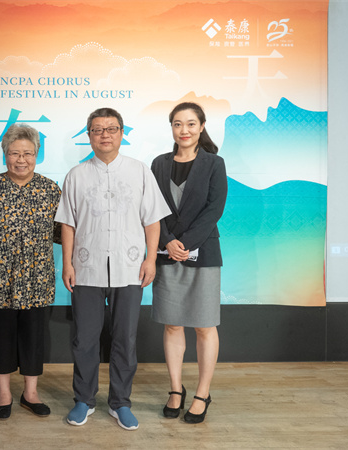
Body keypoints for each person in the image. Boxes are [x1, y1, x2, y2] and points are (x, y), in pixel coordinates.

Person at [55, 107, 170, 431]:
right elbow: (68, 224)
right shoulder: (76, 175)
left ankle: (120, 402)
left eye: (111, 128)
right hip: (87, 267)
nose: (104, 134)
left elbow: (152, 220)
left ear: (121, 133)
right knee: (84, 339)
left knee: (124, 339)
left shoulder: (139, 171)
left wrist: (150, 259)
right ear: (89, 135)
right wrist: (68, 263)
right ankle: (84, 399)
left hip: (129, 267)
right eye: (97, 129)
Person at [150, 102, 227, 424]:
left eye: (191, 124)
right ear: (171, 127)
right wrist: (168, 241)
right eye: (178, 124)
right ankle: (175, 389)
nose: (184, 130)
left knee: (205, 326)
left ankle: (202, 393)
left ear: (202, 126)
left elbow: (214, 209)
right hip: (166, 253)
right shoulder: (159, 163)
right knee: (172, 324)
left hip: (203, 253)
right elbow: (151, 207)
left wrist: (188, 243)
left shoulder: (214, 163)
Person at [0, 124, 60, 420]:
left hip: (38, 278)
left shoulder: (51, 190)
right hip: (0, 277)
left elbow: (63, 233)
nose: (21, 160)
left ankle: (30, 393)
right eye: (14, 153)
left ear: (36, 155)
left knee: (34, 337)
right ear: (5, 155)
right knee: (1, 336)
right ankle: (4, 393)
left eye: (27, 153)